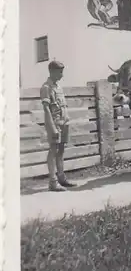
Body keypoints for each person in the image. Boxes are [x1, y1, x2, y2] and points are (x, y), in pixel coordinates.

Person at [40, 61, 76, 192]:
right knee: (53, 151)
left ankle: (62, 178)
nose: (62, 74)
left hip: (63, 122)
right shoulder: (46, 87)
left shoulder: (58, 87)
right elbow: (47, 110)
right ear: (52, 71)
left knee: (61, 151)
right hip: (54, 123)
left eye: (62, 71)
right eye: (60, 71)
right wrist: (53, 128)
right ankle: (52, 182)